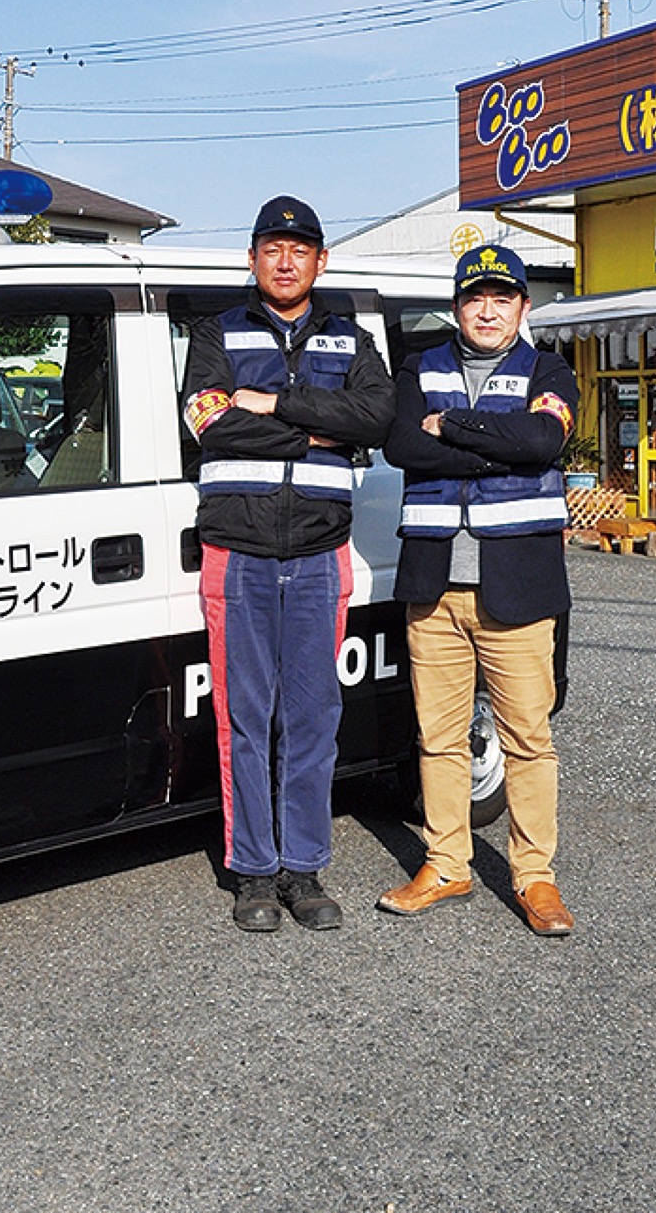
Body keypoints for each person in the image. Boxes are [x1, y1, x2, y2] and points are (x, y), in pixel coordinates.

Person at [182, 196, 395, 932]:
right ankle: (253, 871)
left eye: (299, 249)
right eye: (271, 247)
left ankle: (304, 868)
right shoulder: (217, 332)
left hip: (316, 552)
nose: (284, 260)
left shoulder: (350, 337)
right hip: (236, 552)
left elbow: (377, 420)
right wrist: (315, 435)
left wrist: (274, 405)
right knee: (245, 718)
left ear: (319, 261)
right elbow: (208, 420)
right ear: (252, 258)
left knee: (313, 715)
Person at [377, 244, 578, 936]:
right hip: (434, 585)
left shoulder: (547, 368)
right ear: (456, 305)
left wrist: (455, 425)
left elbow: (545, 439)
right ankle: (447, 862)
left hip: (516, 586)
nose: (487, 308)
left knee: (528, 736)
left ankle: (536, 877)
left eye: (501, 297)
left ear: (522, 306)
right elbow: (401, 444)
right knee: (437, 736)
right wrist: (500, 443)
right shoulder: (419, 365)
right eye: (474, 297)